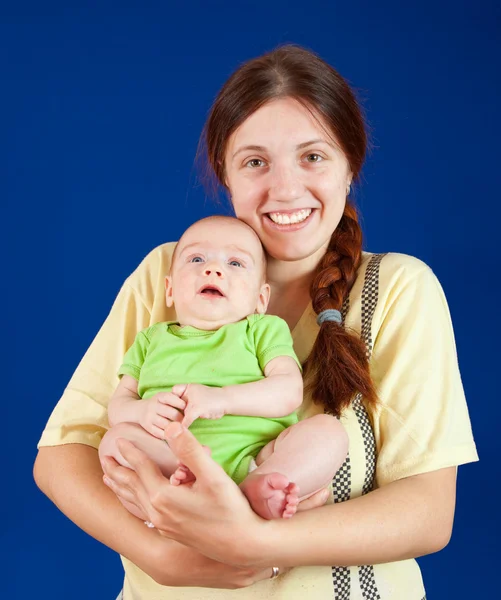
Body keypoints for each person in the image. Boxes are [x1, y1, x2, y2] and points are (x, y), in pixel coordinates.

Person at [34, 44, 478, 599]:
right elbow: (60, 457)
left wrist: (254, 544)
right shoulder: (167, 274)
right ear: (225, 174)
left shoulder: (399, 289)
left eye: (313, 157)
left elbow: (429, 514)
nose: (286, 189)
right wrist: (163, 556)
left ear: (350, 167)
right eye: (255, 162)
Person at [98, 215, 347, 520]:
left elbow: (289, 391)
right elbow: (118, 404)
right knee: (114, 441)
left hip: (255, 455)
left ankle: (258, 486)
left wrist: (222, 399)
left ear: (260, 298)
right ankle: (192, 485)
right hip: (171, 456)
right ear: (170, 289)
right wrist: (141, 412)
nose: (212, 269)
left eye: (235, 264)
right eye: (197, 258)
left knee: (328, 432)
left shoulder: (261, 329)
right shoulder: (150, 338)